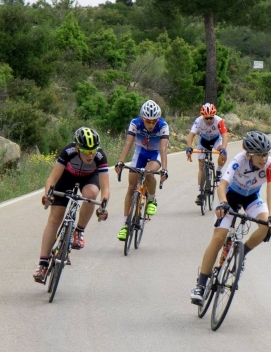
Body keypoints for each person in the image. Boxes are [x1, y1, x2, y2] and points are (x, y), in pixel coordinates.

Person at [189, 131, 271, 306]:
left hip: (252, 198)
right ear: (249, 154)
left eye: (266, 154)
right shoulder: (239, 160)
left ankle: (242, 254)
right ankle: (200, 285)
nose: (263, 158)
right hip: (231, 197)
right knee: (218, 237)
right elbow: (222, 186)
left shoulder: (270, 165)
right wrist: (223, 203)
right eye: (259, 155)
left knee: (266, 227)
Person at [33, 127, 110, 283]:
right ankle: (42, 264)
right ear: (77, 148)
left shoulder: (100, 156)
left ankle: (79, 230)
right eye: (86, 151)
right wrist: (48, 195)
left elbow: (106, 188)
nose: (90, 155)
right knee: (55, 218)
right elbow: (52, 179)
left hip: (89, 179)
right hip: (66, 179)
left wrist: (103, 206)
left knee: (90, 195)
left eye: (93, 150)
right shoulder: (68, 152)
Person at [115, 100, 169, 240]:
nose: (151, 124)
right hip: (140, 152)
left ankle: (151, 199)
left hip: (155, 152)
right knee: (131, 187)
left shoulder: (163, 126)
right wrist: (121, 161)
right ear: (142, 118)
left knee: (148, 173)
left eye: (153, 121)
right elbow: (128, 143)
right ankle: (126, 225)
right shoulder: (135, 123)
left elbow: (163, 149)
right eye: (147, 121)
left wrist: (165, 169)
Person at [185, 103, 228, 205]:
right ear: (203, 116)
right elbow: (191, 134)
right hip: (203, 141)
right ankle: (200, 193)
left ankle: (218, 171)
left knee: (223, 154)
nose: (209, 120)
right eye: (206, 118)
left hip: (216, 139)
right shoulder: (198, 121)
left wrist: (223, 149)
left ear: (214, 116)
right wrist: (189, 147)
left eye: (210, 118)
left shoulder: (219, 121)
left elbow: (225, 135)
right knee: (201, 166)